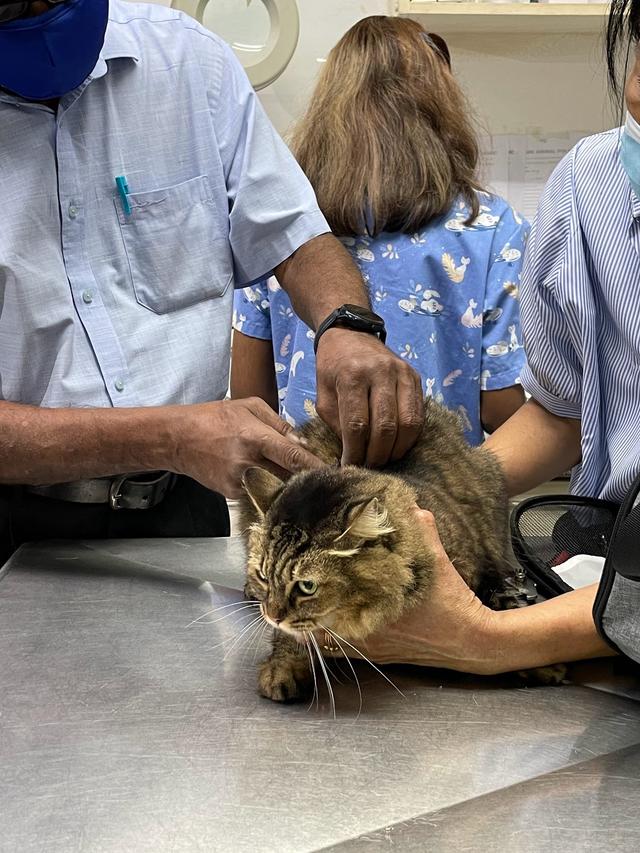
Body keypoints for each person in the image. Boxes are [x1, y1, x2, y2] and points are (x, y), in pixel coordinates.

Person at [0, 0, 424, 561]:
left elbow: (293, 231)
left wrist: (346, 325)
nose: (40, 13)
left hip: (182, 507)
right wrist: (172, 436)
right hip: (12, 518)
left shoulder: (189, 64)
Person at [347, 0, 640, 672]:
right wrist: (432, 499)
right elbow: (561, 411)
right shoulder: (583, 188)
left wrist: (483, 640)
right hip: (599, 579)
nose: (636, 91)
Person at [231, 18, 526, 447]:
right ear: (441, 110)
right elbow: (498, 405)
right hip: (435, 495)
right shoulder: (490, 227)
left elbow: (250, 398)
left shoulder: (283, 224)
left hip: (318, 492)